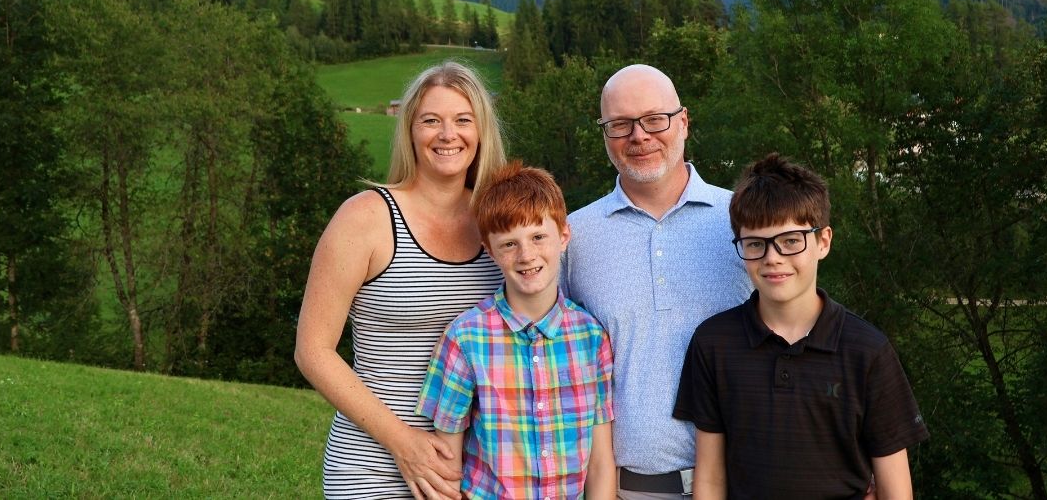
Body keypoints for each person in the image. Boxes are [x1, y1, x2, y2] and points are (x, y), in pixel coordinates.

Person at [295, 61, 507, 500]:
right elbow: (312, 351)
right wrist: (403, 442)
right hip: (373, 463)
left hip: (473, 472)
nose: (448, 134)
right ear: (410, 131)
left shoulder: (499, 224)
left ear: (482, 130)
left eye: (463, 120)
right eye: (431, 120)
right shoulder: (366, 218)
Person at [674, 153, 929, 499]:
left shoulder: (866, 351)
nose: (772, 257)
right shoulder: (713, 344)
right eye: (755, 244)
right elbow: (711, 478)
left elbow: (895, 488)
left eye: (791, 240)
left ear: (823, 241)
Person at [564, 64, 753, 499]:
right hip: (625, 490)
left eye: (654, 119)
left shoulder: (742, 221)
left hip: (744, 482)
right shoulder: (573, 237)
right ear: (604, 134)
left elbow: (799, 333)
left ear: (683, 121)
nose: (639, 135)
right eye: (620, 124)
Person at [417, 161, 616, 500]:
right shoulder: (466, 338)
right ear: (489, 249)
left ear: (563, 236)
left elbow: (599, 463)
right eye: (509, 244)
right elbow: (446, 461)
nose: (527, 255)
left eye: (539, 237)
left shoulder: (591, 338)